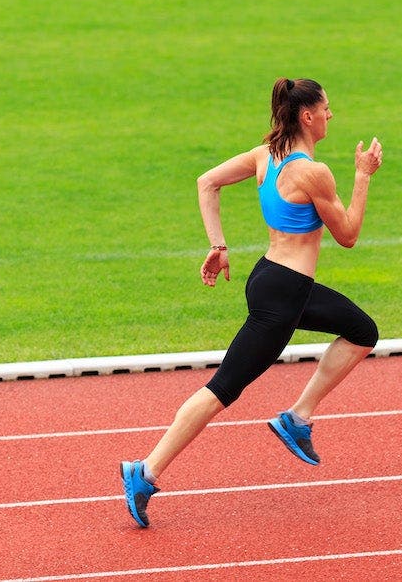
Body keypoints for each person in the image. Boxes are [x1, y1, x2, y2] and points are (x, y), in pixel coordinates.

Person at [119, 77, 383, 528]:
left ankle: (298, 417)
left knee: (363, 331)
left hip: (272, 279)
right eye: (326, 109)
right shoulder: (313, 173)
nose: (330, 116)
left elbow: (208, 182)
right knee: (223, 388)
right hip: (282, 295)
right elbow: (349, 236)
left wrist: (218, 245)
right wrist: (363, 176)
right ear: (307, 116)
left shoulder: (266, 157)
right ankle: (144, 471)